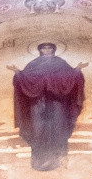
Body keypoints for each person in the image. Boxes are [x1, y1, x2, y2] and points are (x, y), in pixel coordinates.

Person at [13, 43, 86, 171]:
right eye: (44, 48)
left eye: (49, 48)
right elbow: (25, 80)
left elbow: (70, 79)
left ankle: (60, 161)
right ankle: (39, 162)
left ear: (54, 49)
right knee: (38, 130)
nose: (47, 50)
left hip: (57, 103)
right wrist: (18, 73)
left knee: (59, 129)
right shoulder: (33, 65)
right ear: (40, 50)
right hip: (38, 104)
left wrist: (77, 71)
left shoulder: (61, 63)